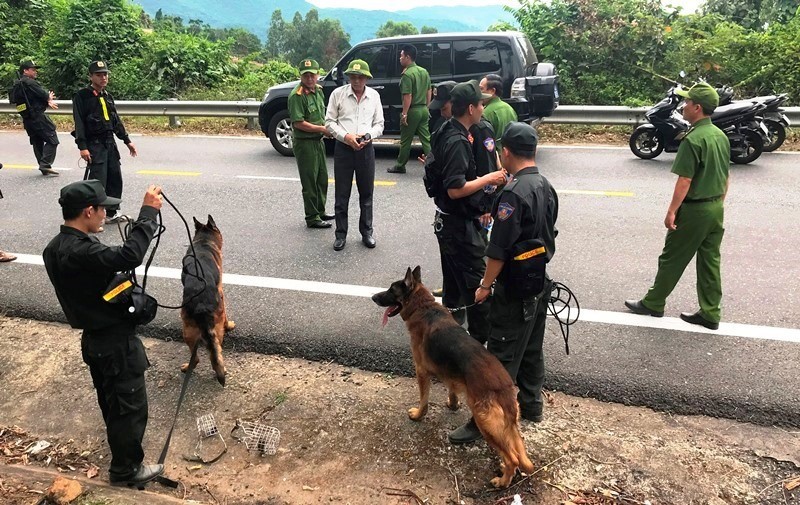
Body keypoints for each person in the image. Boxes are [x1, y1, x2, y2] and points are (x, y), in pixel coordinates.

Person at [42, 180, 165, 486]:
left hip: (94, 340)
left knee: (112, 403)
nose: (106, 216)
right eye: (103, 210)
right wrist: (148, 213)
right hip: (115, 343)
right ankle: (126, 471)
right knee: (129, 407)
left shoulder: (53, 249)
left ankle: (123, 458)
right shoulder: (83, 252)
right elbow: (129, 256)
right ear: (88, 211)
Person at [450, 122, 558, 444]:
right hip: (539, 281)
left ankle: (482, 423)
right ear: (534, 151)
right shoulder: (545, 185)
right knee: (532, 349)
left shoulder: (512, 193)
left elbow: (498, 250)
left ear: (506, 152)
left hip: (515, 287)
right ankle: (532, 405)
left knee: (498, 360)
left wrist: (484, 286)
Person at [624, 82, 730, 331]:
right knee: (710, 261)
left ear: (697, 107)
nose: (683, 106)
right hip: (715, 207)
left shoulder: (693, 140)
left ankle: (654, 302)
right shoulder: (720, 136)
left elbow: (685, 179)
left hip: (695, 210)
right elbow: (726, 176)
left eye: (687, 102)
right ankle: (711, 312)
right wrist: (719, 201)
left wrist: (672, 210)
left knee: (672, 257)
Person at [431, 80, 507, 347]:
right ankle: (478, 349)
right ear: (471, 108)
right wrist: (490, 179)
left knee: (452, 285)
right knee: (477, 288)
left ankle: (448, 338)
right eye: (481, 104)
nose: (483, 108)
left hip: (447, 222)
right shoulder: (457, 140)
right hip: (459, 226)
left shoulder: (446, 130)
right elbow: (456, 189)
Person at [325, 59, 384, 251]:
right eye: (353, 77)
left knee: (366, 193)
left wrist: (368, 136)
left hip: (366, 148)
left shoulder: (374, 96)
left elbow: (379, 124)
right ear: (348, 77)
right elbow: (329, 122)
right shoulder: (338, 95)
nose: (356, 81)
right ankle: (340, 234)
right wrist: (346, 136)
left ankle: (367, 232)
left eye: (360, 77)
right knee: (342, 194)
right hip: (344, 148)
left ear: (367, 78)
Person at [72, 60, 137, 225]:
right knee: (97, 182)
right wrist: (83, 147)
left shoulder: (107, 96)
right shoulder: (82, 96)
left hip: (110, 143)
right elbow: (79, 122)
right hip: (94, 144)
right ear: (91, 76)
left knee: (115, 178)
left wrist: (126, 140)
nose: (103, 78)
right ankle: (93, 218)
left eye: (105, 74)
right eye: (99, 75)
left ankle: (112, 213)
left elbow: (115, 121)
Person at [288, 58, 335, 229]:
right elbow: (298, 123)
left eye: (312, 75)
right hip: (305, 143)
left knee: (321, 179)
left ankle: (320, 211)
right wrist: (322, 129)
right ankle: (312, 217)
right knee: (309, 182)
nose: (309, 78)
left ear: (318, 75)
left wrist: (325, 130)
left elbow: (322, 115)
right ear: (301, 76)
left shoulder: (319, 91)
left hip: (318, 141)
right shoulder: (297, 95)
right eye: (306, 75)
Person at [10, 59, 60, 176]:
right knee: (52, 139)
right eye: (33, 69)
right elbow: (43, 94)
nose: (35, 72)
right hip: (37, 116)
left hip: (27, 119)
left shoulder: (16, 85)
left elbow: (13, 100)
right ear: (25, 71)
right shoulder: (30, 83)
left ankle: (43, 165)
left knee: (37, 141)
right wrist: (48, 97)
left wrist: (46, 100)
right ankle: (45, 164)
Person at [388, 44, 431, 174]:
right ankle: (435, 163)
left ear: (407, 57)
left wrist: (405, 113)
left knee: (406, 140)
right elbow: (429, 91)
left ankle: (400, 165)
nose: (400, 58)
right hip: (423, 109)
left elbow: (408, 96)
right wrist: (427, 107)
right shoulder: (424, 71)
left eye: (401, 56)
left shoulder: (407, 75)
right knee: (426, 139)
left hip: (413, 110)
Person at [479, 74, 517, 150]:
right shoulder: (510, 109)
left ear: (492, 91)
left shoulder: (486, 113)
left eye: (481, 89)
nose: (479, 93)